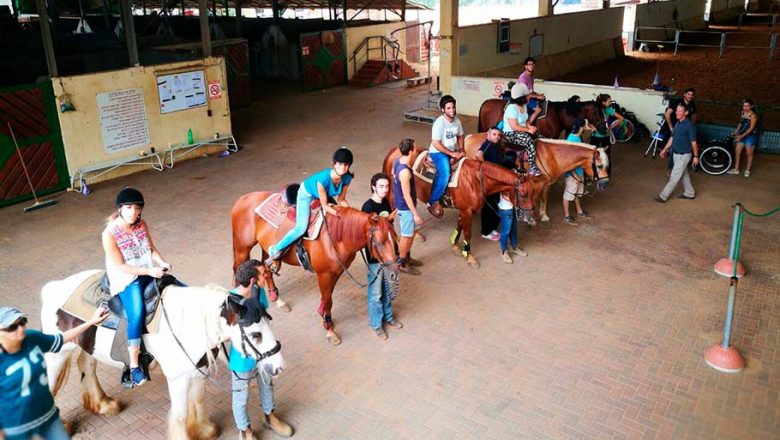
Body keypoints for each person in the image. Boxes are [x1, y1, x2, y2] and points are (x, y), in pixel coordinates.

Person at [1, 306, 109, 440]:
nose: (21, 328)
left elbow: (61, 339)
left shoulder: (31, 338)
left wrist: (91, 322)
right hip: (19, 429)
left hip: (49, 418)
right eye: (12, 327)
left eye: (22, 321)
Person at [102, 187, 172, 387]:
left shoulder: (142, 225)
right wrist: (150, 272)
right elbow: (120, 266)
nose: (134, 211)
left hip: (148, 270)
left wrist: (162, 262)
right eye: (129, 207)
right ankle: (134, 366)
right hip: (127, 279)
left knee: (175, 286)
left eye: (137, 208)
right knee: (137, 312)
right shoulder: (109, 234)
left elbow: (150, 249)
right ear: (120, 209)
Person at [228, 260, 293, 440]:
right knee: (241, 395)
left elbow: (262, 322)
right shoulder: (229, 303)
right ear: (252, 281)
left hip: (263, 353)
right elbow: (227, 332)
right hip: (242, 359)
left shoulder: (260, 293)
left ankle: (269, 416)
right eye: (262, 274)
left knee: (267, 385)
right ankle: (244, 430)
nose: (266, 277)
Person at [267, 147, 354, 261]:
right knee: (301, 228)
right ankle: (275, 249)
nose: (343, 168)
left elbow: (342, 199)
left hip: (324, 194)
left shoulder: (347, 178)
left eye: (346, 165)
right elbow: (325, 206)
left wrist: (352, 213)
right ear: (334, 164)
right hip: (307, 194)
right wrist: (340, 215)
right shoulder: (323, 180)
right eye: (340, 164)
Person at [361, 173, 405, 339]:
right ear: (373, 186)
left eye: (387, 187)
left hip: (389, 255)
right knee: (375, 293)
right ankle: (376, 324)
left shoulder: (386, 202)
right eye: (381, 186)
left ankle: (388, 317)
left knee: (388, 288)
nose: (385, 190)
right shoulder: (367, 207)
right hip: (375, 259)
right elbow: (366, 235)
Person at [427, 95, 465, 219]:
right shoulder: (439, 123)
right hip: (438, 152)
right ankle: (432, 201)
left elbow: (460, 136)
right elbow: (436, 143)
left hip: (451, 149)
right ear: (443, 110)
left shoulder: (457, 121)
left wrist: (461, 149)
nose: (452, 110)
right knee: (445, 173)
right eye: (448, 108)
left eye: (453, 107)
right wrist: (452, 153)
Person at [655, 103, 698, 203]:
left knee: (674, 177)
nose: (676, 112)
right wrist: (664, 149)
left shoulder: (690, 126)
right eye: (676, 110)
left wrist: (696, 156)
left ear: (686, 113)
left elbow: (694, 142)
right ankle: (689, 193)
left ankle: (663, 196)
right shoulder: (678, 123)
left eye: (679, 111)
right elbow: (672, 138)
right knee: (684, 174)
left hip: (684, 155)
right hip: (676, 154)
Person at [393, 139, 424, 276]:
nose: (416, 150)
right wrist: (415, 214)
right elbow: (407, 196)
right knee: (406, 236)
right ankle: (402, 263)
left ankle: (406, 257)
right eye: (415, 148)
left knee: (410, 234)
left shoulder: (397, 160)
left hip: (403, 206)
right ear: (411, 151)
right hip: (405, 208)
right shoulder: (405, 172)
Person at [562, 119, 594, 225]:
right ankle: (566, 216)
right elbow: (569, 162)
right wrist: (576, 176)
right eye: (585, 125)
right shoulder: (571, 140)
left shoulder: (577, 137)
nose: (586, 127)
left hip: (579, 172)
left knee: (577, 194)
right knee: (568, 194)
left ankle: (579, 211)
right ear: (581, 127)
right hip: (573, 174)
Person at [502, 95, 541, 176]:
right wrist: (528, 130)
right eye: (527, 96)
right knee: (529, 141)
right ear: (521, 98)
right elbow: (514, 126)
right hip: (511, 133)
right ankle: (532, 166)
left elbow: (525, 120)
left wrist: (530, 126)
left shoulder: (524, 106)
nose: (529, 98)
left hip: (523, 129)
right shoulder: (511, 108)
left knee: (540, 137)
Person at [662, 88, 697, 174]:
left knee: (687, 147)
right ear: (684, 94)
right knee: (673, 149)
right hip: (676, 127)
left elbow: (694, 117)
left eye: (692, 95)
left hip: (685, 129)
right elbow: (667, 114)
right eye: (688, 94)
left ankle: (686, 165)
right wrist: (671, 127)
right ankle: (670, 169)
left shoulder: (693, 105)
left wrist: (691, 127)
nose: (690, 96)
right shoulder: (677, 102)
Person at [728, 98, 759, 177]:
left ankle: (747, 170)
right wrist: (735, 132)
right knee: (737, 151)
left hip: (751, 136)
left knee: (749, 153)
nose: (745, 108)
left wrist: (741, 136)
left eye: (747, 106)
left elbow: (751, 128)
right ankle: (736, 169)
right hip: (742, 134)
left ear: (751, 106)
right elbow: (741, 123)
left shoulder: (753, 116)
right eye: (744, 106)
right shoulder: (743, 112)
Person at [498, 191, 527, 264]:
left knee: (514, 228)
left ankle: (515, 247)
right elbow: (503, 193)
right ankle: (504, 252)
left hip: (513, 206)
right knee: (505, 231)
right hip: (506, 208)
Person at [516, 57, 546, 125]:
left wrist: (539, 95)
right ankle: (528, 124)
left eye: (533, 64)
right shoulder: (523, 77)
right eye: (529, 64)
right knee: (538, 109)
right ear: (525, 66)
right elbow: (525, 93)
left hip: (529, 97)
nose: (531, 66)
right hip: (524, 98)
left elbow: (530, 91)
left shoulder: (531, 77)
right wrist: (537, 97)